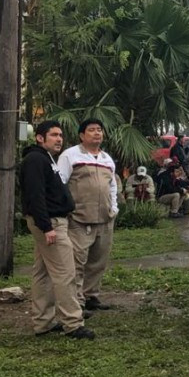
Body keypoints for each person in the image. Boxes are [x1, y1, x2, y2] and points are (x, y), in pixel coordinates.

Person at [21, 121, 94, 339]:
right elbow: (35, 195)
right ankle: (72, 322)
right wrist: (46, 227)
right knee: (65, 272)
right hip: (50, 223)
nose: (59, 139)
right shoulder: (35, 159)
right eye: (53, 135)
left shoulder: (46, 159)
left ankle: (43, 322)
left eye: (60, 135)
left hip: (52, 221)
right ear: (40, 138)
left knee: (43, 273)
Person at [57, 118, 119, 311]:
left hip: (104, 219)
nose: (97, 133)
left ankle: (91, 295)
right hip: (79, 219)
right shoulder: (70, 155)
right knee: (77, 262)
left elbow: (113, 186)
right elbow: (60, 184)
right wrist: (67, 211)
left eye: (99, 130)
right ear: (82, 135)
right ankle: (76, 302)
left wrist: (114, 209)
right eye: (91, 130)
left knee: (98, 261)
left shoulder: (107, 159)